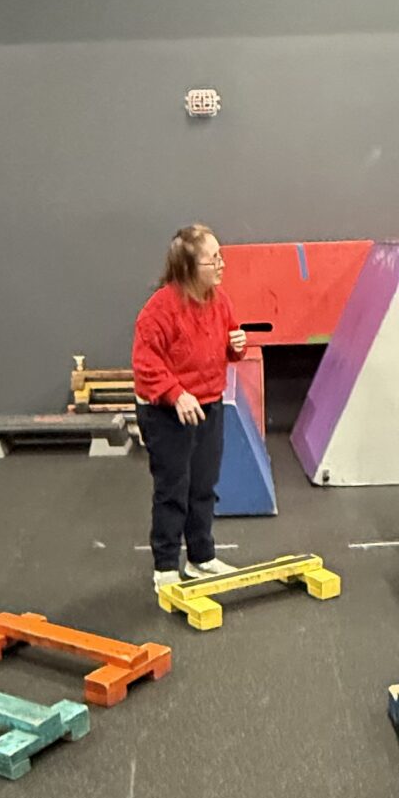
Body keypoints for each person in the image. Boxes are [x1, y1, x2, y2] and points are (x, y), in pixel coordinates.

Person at [131, 225, 247, 596]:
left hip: (209, 405)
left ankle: (201, 557)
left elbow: (226, 345)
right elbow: (145, 363)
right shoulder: (159, 309)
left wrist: (237, 346)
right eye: (213, 259)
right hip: (167, 413)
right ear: (188, 267)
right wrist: (176, 393)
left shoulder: (220, 301)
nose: (221, 264)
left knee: (203, 486)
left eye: (221, 256)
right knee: (173, 489)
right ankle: (166, 566)